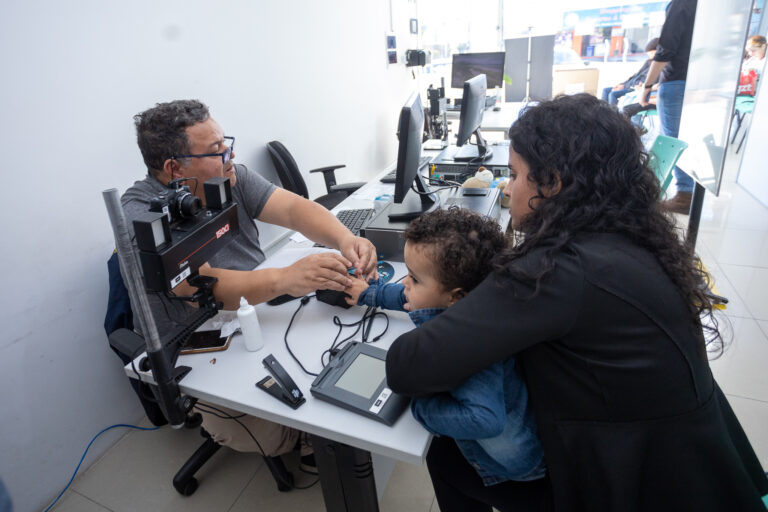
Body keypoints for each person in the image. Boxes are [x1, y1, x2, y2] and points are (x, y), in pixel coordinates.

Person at [385, 94, 768, 511]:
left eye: (514, 175)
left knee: (444, 456)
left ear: (551, 183)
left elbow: (407, 365)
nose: (507, 189)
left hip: (631, 482)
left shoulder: (559, 270)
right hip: (683, 461)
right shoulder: (625, 233)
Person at [122, 99, 378, 463]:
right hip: (197, 338)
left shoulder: (229, 175)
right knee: (277, 436)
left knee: (328, 356)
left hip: (260, 298)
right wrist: (286, 278)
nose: (229, 155)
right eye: (216, 150)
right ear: (174, 168)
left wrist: (344, 239)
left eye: (225, 143)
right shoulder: (140, 218)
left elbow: (293, 208)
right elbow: (194, 285)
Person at [344, 208, 545, 487]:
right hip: (516, 427)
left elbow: (485, 420)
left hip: (514, 466)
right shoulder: (472, 299)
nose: (404, 283)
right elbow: (409, 297)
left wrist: (420, 405)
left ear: (455, 298)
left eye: (414, 278)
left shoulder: (471, 346)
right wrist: (369, 293)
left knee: (436, 460)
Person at [641, 0, 697, 215]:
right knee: (688, 137)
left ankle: (685, 194)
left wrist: (647, 85)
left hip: (677, 80)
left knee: (673, 138)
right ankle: (688, 191)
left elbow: (666, 49)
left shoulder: (681, 4)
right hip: (699, 80)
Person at [601, 37, 659, 106]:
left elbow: (643, 83)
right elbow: (636, 75)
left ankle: (613, 113)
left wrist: (625, 86)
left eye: (651, 53)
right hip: (629, 85)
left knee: (613, 94)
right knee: (606, 90)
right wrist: (623, 84)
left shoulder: (660, 66)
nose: (649, 55)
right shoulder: (648, 62)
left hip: (636, 88)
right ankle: (601, 111)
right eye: (649, 54)